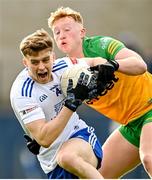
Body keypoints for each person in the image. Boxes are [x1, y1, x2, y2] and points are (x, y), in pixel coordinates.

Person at [48, 7, 152, 178]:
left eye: (67, 29)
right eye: (57, 32)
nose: (62, 35)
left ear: (82, 32)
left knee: (149, 158)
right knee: (96, 175)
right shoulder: (64, 72)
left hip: (149, 107)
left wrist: (114, 65)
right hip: (131, 124)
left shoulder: (100, 45)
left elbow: (140, 65)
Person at [10, 28, 105, 179]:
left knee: (66, 157)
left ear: (53, 57)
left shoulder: (64, 66)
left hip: (80, 137)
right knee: (63, 158)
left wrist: (103, 71)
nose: (41, 67)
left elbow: (95, 61)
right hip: (52, 164)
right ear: (25, 62)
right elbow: (44, 139)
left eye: (45, 60)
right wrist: (71, 104)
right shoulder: (22, 93)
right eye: (34, 62)